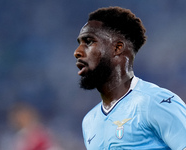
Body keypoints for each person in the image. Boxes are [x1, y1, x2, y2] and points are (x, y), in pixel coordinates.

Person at [74, 6, 186, 150]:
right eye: (79, 44)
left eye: (88, 42)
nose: (77, 52)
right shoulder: (89, 121)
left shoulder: (155, 102)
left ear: (117, 48)